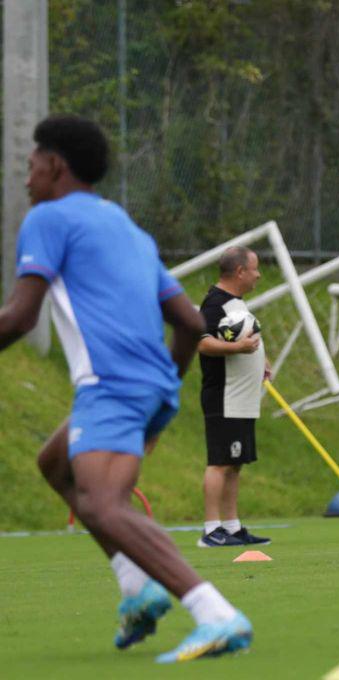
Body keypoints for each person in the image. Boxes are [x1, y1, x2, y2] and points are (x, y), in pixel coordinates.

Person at [0, 115, 251, 663]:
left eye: (30, 166)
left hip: (113, 387)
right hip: (153, 383)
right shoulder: (126, 228)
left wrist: (136, 392)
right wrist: (160, 391)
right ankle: (138, 588)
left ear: (54, 166)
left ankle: (215, 614)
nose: (25, 179)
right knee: (55, 464)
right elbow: (189, 322)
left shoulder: (47, 218)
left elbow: (19, 318)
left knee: (105, 505)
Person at [196, 246, 272, 548]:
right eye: (254, 268)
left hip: (242, 398)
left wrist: (260, 362)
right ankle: (211, 529)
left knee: (234, 462)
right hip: (223, 397)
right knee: (219, 462)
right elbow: (202, 343)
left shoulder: (235, 303)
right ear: (240, 271)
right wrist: (239, 350)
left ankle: (231, 526)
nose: (258, 274)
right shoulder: (214, 304)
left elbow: (241, 338)